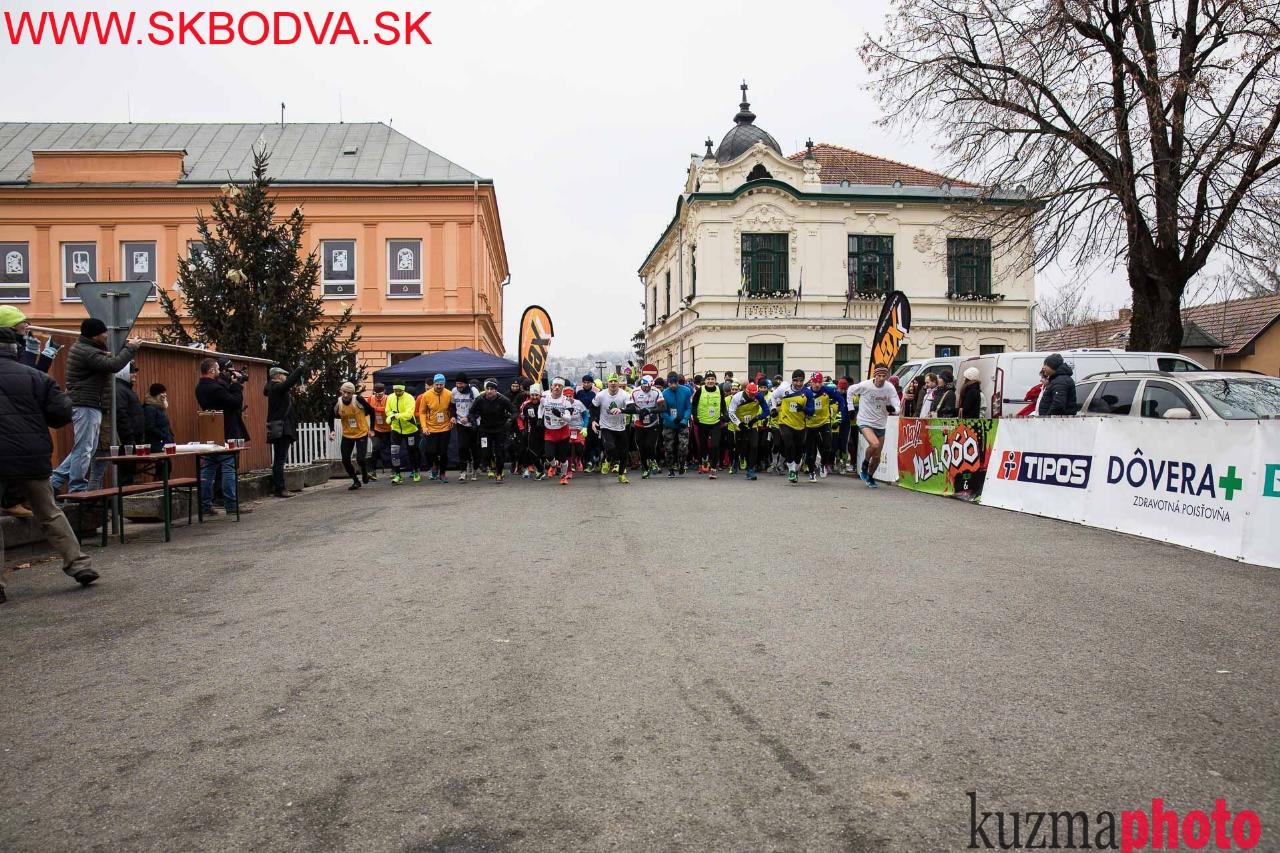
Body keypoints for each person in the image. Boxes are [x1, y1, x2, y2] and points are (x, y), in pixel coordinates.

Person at [0, 326, 96, 603]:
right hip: (33, 455)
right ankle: (79, 565)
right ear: (16, 349)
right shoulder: (35, 377)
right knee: (49, 512)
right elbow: (59, 415)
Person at [49, 319, 139, 495]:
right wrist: (131, 348)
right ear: (95, 335)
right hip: (86, 404)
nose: (107, 335)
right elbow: (112, 365)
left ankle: (56, 480)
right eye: (104, 332)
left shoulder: (88, 349)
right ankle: (77, 487)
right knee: (84, 448)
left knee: (85, 448)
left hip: (90, 404)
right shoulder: (86, 351)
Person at [195, 357, 251, 514]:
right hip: (226, 431)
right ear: (212, 370)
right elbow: (234, 402)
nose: (220, 372)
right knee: (228, 469)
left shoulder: (200, 388)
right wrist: (236, 386)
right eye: (218, 370)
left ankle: (205, 505)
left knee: (208, 471)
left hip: (210, 432)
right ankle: (231, 505)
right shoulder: (216, 388)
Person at [846, 364, 900, 489]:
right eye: (879, 375)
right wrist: (850, 409)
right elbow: (850, 390)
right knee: (874, 444)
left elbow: (897, 404)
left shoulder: (889, 388)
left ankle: (870, 476)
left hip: (881, 423)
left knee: (876, 457)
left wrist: (893, 409)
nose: (881, 378)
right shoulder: (865, 385)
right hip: (865, 421)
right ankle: (865, 463)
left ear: (887, 376)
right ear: (874, 375)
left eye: (884, 376)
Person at [264, 362, 308, 499]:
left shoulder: (272, 388)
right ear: (277, 376)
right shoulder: (276, 387)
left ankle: (279, 487)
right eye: (283, 375)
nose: (285, 377)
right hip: (281, 428)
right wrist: (300, 369)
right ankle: (280, 488)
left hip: (280, 427)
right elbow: (288, 383)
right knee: (279, 460)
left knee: (279, 459)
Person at [330, 381, 376, 490]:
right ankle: (356, 481)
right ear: (341, 391)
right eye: (344, 392)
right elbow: (330, 416)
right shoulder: (338, 402)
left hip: (361, 433)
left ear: (352, 393)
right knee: (345, 460)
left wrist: (372, 429)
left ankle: (364, 472)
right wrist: (332, 430)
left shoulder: (358, 400)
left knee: (360, 459)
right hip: (347, 435)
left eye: (349, 393)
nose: (346, 395)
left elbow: (371, 411)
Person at [770, 369, 813, 485]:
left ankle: (796, 467)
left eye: (801, 381)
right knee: (788, 445)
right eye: (795, 381)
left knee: (799, 449)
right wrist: (773, 409)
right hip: (785, 421)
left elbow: (811, 411)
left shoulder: (807, 392)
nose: (798, 384)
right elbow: (772, 397)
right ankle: (791, 470)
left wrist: (803, 409)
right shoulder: (784, 389)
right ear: (792, 380)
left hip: (800, 424)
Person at [802, 372, 846, 482]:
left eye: (819, 382)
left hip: (824, 422)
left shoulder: (827, 390)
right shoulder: (805, 391)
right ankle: (812, 472)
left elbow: (841, 400)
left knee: (828, 446)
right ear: (811, 382)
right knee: (810, 451)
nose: (817, 385)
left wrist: (839, 413)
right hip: (810, 424)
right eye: (815, 382)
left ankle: (822, 464)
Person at [470, 378, 515, 481]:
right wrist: (473, 422)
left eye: (492, 389)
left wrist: (509, 421)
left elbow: (514, 412)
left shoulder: (503, 400)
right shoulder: (480, 399)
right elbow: (472, 412)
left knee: (499, 453)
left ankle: (499, 473)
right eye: (488, 389)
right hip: (485, 430)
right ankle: (490, 467)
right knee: (486, 453)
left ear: (496, 390)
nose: (489, 391)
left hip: (499, 430)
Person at [591, 375, 631, 484]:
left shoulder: (625, 395)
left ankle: (621, 475)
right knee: (610, 448)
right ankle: (608, 459)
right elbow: (593, 407)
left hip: (620, 427)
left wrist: (621, 410)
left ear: (618, 383)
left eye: (615, 381)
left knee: (623, 453)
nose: (613, 383)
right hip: (606, 426)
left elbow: (632, 408)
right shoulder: (601, 395)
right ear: (607, 383)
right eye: (611, 381)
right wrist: (594, 420)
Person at [727, 381, 770, 480]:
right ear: (746, 392)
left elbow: (766, 411)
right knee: (741, 447)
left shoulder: (759, 396)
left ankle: (750, 470)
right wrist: (739, 424)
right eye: (750, 395)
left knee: (754, 446)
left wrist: (756, 418)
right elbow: (731, 412)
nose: (752, 396)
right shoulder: (737, 397)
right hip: (739, 424)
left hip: (752, 424)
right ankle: (736, 460)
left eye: (754, 394)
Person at [417, 373, 453, 482]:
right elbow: (422, 412)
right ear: (433, 384)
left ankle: (442, 473)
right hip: (431, 428)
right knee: (430, 451)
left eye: (441, 384)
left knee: (443, 452)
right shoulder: (426, 395)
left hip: (445, 427)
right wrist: (424, 427)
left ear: (444, 384)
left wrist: (452, 417)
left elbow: (453, 409)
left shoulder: (449, 394)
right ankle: (434, 466)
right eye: (437, 384)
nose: (439, 386)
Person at [628, 375, 666, 479]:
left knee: (650, 445)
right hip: (638, 423)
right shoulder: (635, 392)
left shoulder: (656, 391)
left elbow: (663, 407)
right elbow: (630, 407)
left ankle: (653, 460)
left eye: (648, 387)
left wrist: (650, 410)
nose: (646, 389)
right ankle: (645, 469)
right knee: (641, 447)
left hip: (653, 423)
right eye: (644, 387)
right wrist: (638, 411)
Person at [691, 372, 727, 478]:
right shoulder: (700, 391)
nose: (710, 381)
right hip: (702, 422)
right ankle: (704, 459)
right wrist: (695, 417)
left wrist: (724, 414)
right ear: (705, 381)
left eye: (712, 379)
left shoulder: (719, 390)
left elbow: (723, 405)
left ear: (715, 380)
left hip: (715, 422)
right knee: (703, 445)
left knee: (715, 445)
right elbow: (694, 405)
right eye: (708, 379)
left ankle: (714, 469)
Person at [541, 378, 576, 485]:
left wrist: (559, 414)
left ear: (562, 388)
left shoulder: (566, 401)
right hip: (549, 432)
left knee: (562, 458)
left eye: (559, 386)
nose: (557, 387)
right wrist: (539, 418)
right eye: (555, 385)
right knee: (549, 455)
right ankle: (553, 465)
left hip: (562, 433)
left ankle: (563, 476)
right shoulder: (544, 398)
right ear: (551, 386)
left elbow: (569, 418)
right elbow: (540, 407)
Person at [385, 383, 420, 484]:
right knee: (394, 452)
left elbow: (409, 415)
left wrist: (395, 416)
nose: (397, 393)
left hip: (410, 429)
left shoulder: (409, 398)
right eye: (395, 390)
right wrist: (391, 415)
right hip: (396, 429)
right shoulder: (390, 397)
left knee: (412, 451)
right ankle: (397, 474)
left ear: (403, 390)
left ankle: (416, 470)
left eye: (400, 391)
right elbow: (388, 411)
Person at [660, 371, 692, 477]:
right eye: (670, 383)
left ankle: (682, 464)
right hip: (669, 424)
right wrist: (671, 420)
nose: (673, 385)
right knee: (669, 447)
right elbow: (663, 411)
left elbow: (688, 407)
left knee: (683, 446)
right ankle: (670, 469)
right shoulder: (664, 393)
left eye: (675, 383)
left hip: (682, 423)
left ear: (678, 382)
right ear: (667, 383)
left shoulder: (686, 391)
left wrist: (684, 419)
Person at [450, 373, 480, 482]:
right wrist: (453, 416)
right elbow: (452, 406)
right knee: (462, 447)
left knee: (474, 447)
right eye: (457, 383)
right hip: (460, 423)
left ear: (466, 383)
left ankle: (475, 469)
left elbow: (478, 408)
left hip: (473, 423)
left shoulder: (474, 391)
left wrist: (468, 418)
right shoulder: (454, 391)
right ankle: (463, 471)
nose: (459, 386)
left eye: (461, 384)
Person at [516, 383, 546, 479]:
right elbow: (521, 417)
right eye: (532, 395)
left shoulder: (544, 403)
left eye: (536, 395)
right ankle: (540, 469)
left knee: (545, 452)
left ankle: (548, 467)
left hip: (545, 430)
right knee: (532, 451)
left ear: (540, 395)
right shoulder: (526, 404)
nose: (534, 397)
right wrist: (522, 428)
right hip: (532, 431)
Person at [365, 383, 392, 474]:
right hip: (376, 428)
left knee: (391, 448)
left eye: (380, 394)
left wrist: (376, 409)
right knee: (375, 447)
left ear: (384, 391)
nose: (378, 396)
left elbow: (390, 409)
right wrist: (369, 429)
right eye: (376, 394)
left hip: (389, 428)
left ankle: (394, 470)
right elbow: (366, 412)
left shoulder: (389, 398)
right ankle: (372, 470)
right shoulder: (370, 399)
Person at [575, 374, 600, 471]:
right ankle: (580, 460)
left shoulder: (597, 391)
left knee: (590, 440)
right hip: (579, 418)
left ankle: (590, 461)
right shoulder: (577, 390)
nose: (586, 384)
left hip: (591, 418)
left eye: (588, 382)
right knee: (580, 441)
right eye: (584, 382)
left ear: (592, 383)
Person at [142, 383, 174, 452]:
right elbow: (150, 427)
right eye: (162, 392)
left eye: (165, 392)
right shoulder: (150, 408)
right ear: (155, 394)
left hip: (163, 444)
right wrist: (164, 436)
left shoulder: (158, 408)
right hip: (157, 446)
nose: (165, 394)